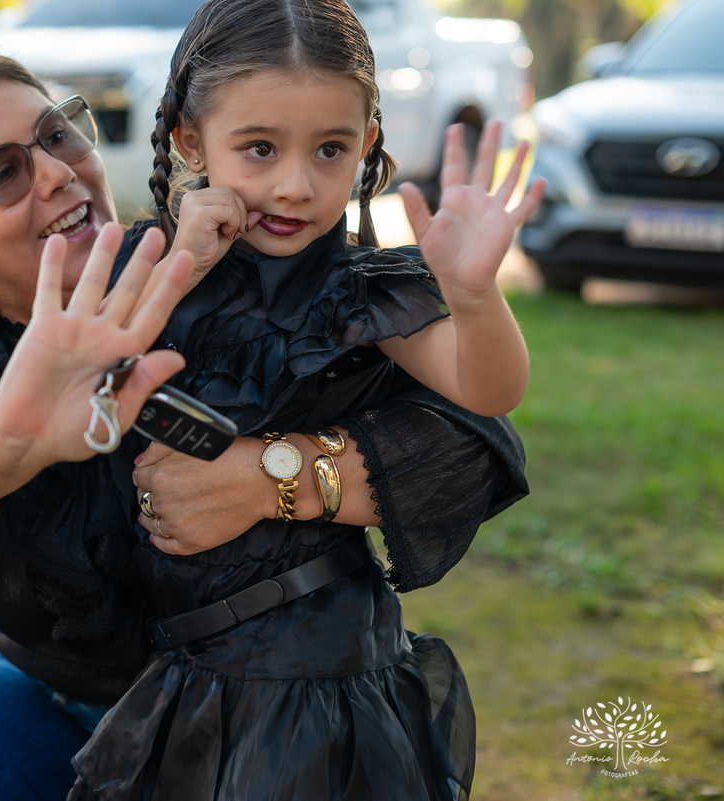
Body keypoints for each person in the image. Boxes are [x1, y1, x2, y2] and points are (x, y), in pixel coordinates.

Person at [0, 50, 528, 801]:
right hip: (56, 703)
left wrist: (276, 475)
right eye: (0, 173)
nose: (52, 172)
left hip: (261, 713)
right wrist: (17, 429)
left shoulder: (219, 264)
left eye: (55, 135)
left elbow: (476, 438)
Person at [66, 1, 545, 799]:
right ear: (190, 140)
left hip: (314, 680)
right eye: (258, 148)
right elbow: (87, 395)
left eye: (331, 149)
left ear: (367, 146)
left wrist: (472, 294)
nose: (295, 185)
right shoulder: (144, 270)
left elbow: (489, 388)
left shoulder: (356, 292)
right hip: (189, 670)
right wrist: (181, 263)